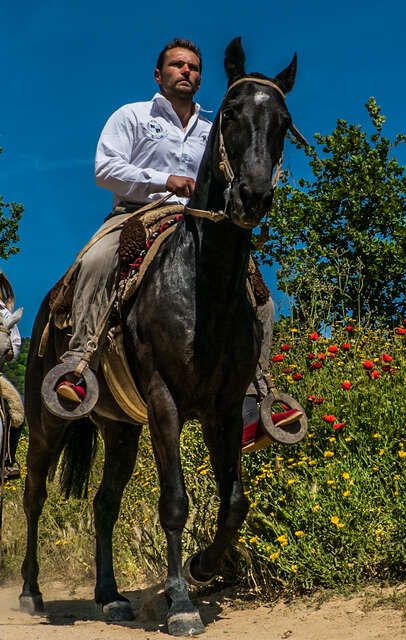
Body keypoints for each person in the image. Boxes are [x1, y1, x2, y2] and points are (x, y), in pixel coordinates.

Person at [54, 38, 300, 443]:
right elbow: (105, 168)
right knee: (97, 261)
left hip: (200, 223)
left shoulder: (216, 126)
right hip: (135, 215)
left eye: (193, 67)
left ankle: (257, 393)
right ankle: (79, 363)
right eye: (177, 65)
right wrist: (163, 180)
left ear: (202, 79)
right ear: (159, 74)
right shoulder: (132, 116)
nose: (186, 71)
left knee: (261, 297)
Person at [0, 298, 24, 480]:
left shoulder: (4, 313)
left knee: (17, 406)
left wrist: (10, 354)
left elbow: (15, 343)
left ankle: (8, 460)